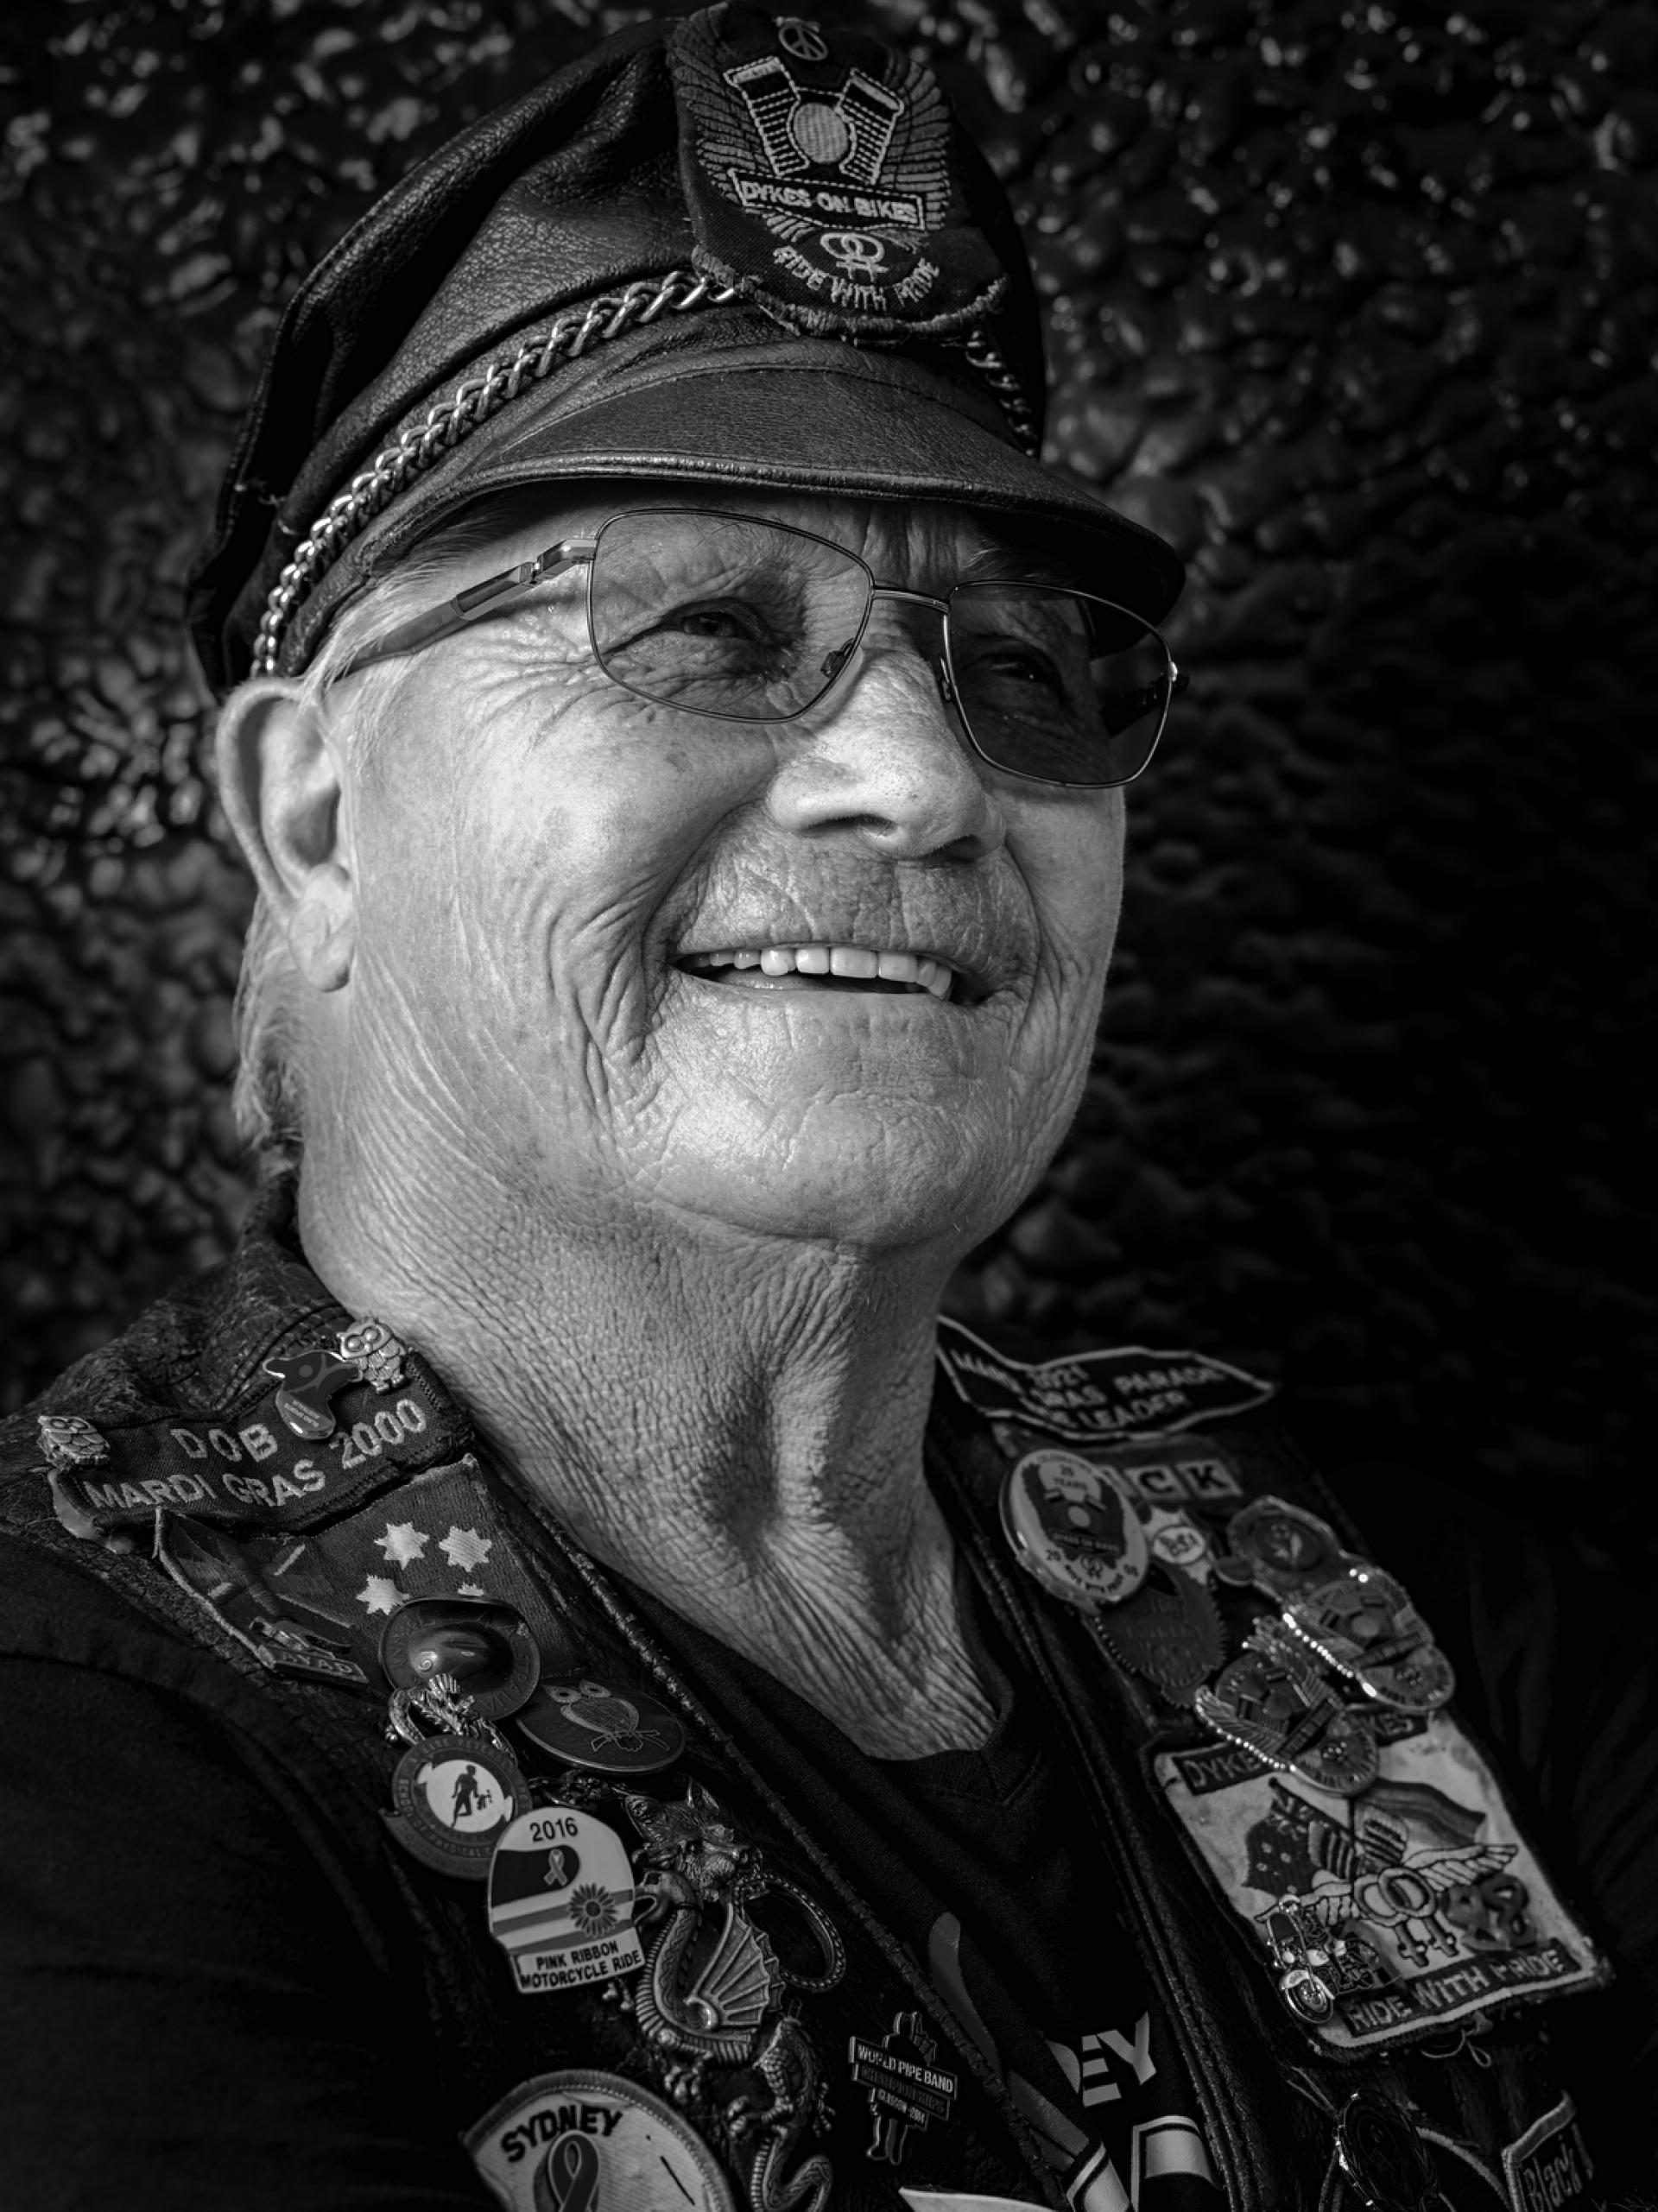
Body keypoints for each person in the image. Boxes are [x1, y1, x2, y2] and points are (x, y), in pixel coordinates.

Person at [1, 9, 1652, 2209]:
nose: (928, 780)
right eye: (701, 623)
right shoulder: (75, 1738)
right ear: (313, 822)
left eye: (1023, 664)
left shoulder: (1396, 1608)